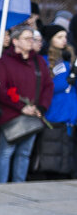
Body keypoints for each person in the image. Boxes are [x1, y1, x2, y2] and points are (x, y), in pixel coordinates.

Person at [0, 26, 54, 183]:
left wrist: (41, 107)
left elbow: (48, 85)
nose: (31, 41)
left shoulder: (38, 61)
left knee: (24, 153)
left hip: (33, 115)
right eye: (27, 38)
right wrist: (21, 107)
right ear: (15, 41)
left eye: (32, 38)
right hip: (11, 116)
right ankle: (1, 186)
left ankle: (19, 185)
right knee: (6, 152)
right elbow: (0, 90)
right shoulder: (3, 62)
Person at [32, 24, 77, 177]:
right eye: (59, 37)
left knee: (67, 151)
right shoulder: (46, 60)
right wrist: (67, 79)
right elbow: (49, 86)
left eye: (65, 37)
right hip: (54, 113)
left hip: (70, 114)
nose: (64, 40)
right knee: (53, 151)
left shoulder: (69, 58)